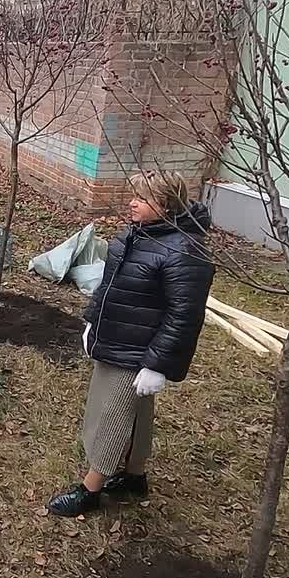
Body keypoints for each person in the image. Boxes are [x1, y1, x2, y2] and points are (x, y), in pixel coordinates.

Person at [47, 170, 215, 517]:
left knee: (110, 415)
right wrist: (92, 320)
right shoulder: (136, 234)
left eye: (142, 198)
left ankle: (90, 491)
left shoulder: (184, 251)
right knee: (136, 412)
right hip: (117, 335)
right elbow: (109, 285)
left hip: (137, 348)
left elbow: (184, 315)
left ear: (166, 207)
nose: (132, 202)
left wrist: (157, 364)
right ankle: (135, 476)